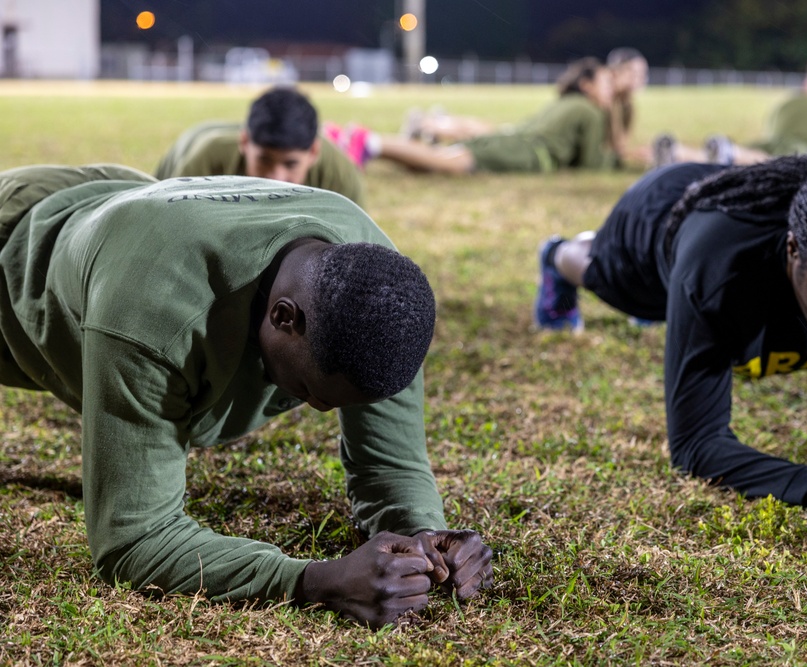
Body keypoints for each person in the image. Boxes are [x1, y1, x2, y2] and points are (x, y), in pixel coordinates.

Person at [0, 165, 493, 628]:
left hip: (128, 205)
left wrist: (424, 535)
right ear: (283, 318)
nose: (320, 410)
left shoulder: (379, 294)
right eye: (310, 392)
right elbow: (135, 540)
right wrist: (313, 582)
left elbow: (390, 465)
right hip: (18, 244)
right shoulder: (149, 315)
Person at [533, 156, 807, 519]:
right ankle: (555, 254)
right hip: (661, 215)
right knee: (601, 274)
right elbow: (695, 442)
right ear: (793, 249)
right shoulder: (717, 272)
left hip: (733, 225)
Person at [327, 57, 617, 175]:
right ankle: (369, 143)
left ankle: (367, 142)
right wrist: (618, 160)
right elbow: (591, 163)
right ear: (587, 85)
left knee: (438, 159)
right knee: (448, 163)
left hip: (513, 142)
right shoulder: (590, 111)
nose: (612, 89)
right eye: (606, 82)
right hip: (525, 152)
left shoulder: (568, 101)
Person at [155, 86, 366, 206]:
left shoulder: (339, 177)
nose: (276, 177)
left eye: (290, 164)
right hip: (188, 147)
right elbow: (167, 224)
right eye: (264, 160)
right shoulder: (206, 160)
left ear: (313, 153)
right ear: (244, 143)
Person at [654, 54, 807, 169]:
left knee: (751, 156)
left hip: (770, 142)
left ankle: (680, 153)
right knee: (777, 164)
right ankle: (730, 154)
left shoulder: (786, 104)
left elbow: (774, 135)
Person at [605, 47, 652, 167]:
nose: (641, 79)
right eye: (634, 73)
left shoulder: (626, 105)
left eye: (643, 74)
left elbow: (621, 146)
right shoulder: (602, 101)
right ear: (614, 72)